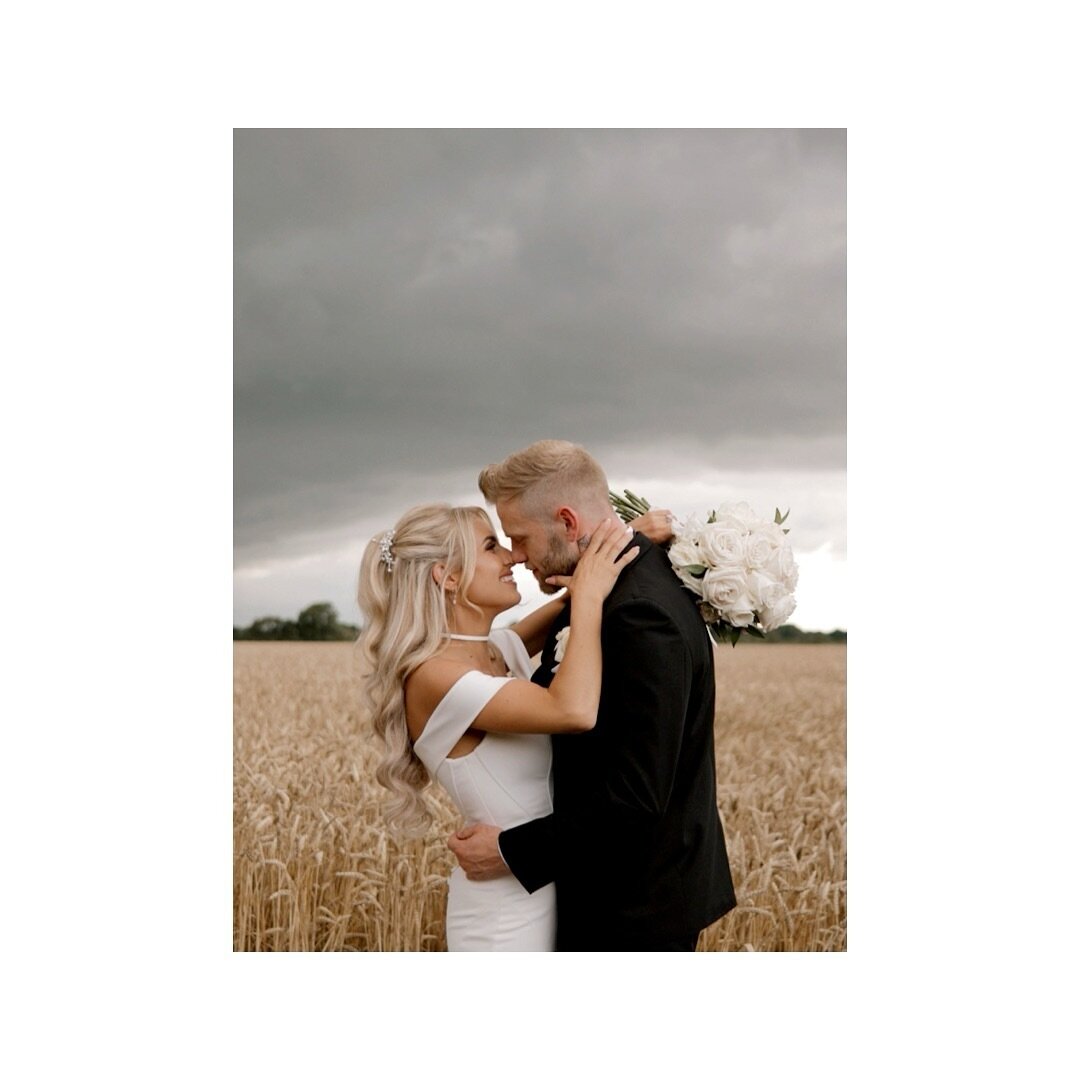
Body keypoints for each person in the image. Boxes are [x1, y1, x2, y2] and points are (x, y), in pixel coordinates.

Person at [448, 440, 737, 951]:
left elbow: (637, 797)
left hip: (632, 908)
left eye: (518, 537)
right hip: (619, 893)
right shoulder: (613, 587)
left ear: (567, 522)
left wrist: (512, 852)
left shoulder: (636, 614)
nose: (516, 555)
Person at [357, 502, 650, 951]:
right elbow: (573, 710)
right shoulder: (435, 676)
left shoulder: (494, 649)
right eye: (492, 546)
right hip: (501, 915)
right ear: (448, 576)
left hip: (542, 880)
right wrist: (590, 597)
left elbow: (566, 602)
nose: (513, 557)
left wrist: (627, 538)